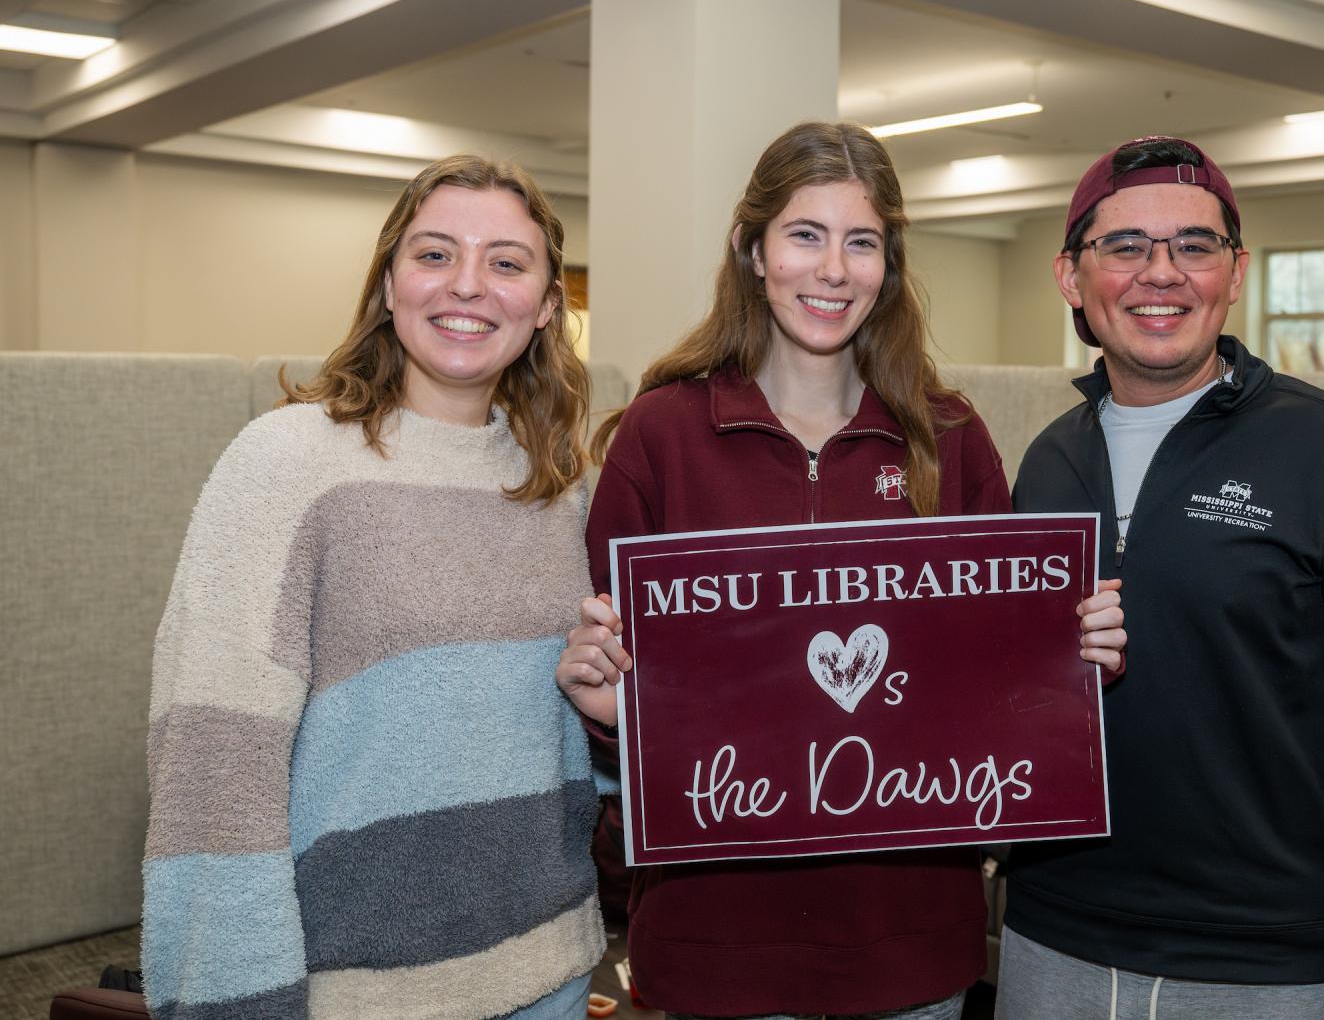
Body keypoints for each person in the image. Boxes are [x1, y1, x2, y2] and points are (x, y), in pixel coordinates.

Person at [555, 121, 1126, 1020]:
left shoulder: (951, 436)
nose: (833, 269)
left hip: (911, 947)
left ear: (889, 264)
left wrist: (1070, 658)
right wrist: (604, 706)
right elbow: (631, 718)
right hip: (716, 947)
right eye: (805, 235)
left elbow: (999, 692)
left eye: (862, 242)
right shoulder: (660, 437)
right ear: (752, 249)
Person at [141, 155, 606, 1019]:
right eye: (434, 255)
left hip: (552, 966)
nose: (467, 285)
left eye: (507, 263)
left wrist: (609, 711)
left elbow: (543, 741)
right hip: (358, 990)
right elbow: (212, 760)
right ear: (389, 283)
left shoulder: (560, 484)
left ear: (548, 306)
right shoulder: (288, 462)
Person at [999, 136, 1324, 1020]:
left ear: (1235, 274)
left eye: (1194, 246)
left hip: (1268, 962)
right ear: (1070, 277)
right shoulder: (1048, 462)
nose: (1160, 273)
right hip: (1053, 936)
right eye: (1125, 245)